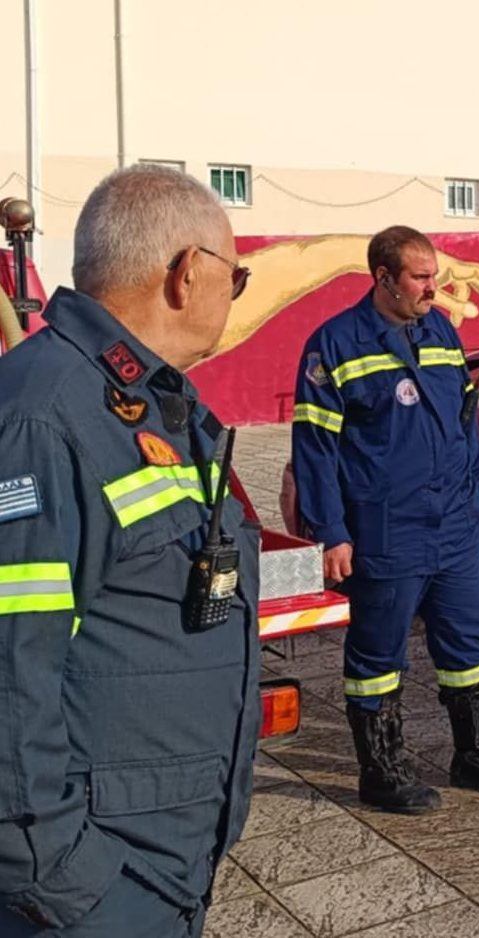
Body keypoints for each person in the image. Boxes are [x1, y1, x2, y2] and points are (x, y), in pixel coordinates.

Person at [0, 165, 258, 935]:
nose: (231, 293)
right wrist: (69, 882)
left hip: (157, 856)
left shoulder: (138, 400)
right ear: (188, 273)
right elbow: (10, 666)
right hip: (90, 890)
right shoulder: (46, 415)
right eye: (234, 276)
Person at [291, 225, 479, 814]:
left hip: (452, 527)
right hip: (385, 530)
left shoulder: (441, 331)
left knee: (470, 644)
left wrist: (475, 491)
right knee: (378, 658)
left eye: (435, 275)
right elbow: (315, 451)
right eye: (421, 278)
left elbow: (463, 421)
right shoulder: (335, 344)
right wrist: (331, 532)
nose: (435, 288)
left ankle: (477, 754)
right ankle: (382, 771)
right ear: (383, 278)